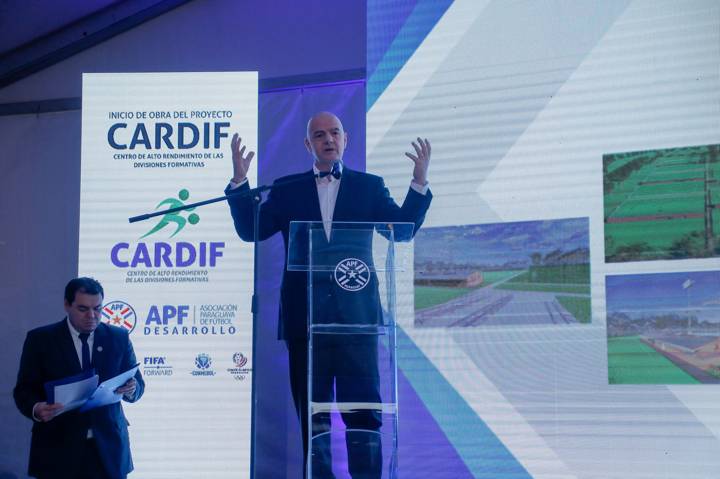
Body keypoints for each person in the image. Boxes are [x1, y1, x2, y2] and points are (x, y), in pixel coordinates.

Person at [225, 111, 432, 478]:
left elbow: (400, 232)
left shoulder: (369, 187)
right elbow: (251, 231)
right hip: (305, 324)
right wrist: (241, 182)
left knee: (364, 414)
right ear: (308, 145)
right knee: (313, 417)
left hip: (358, 323)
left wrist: (418, 184)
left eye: (334, 132)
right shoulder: (288, 188)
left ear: (345, 139)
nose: (328, 139)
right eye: (319, 135)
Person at [14, 277, 145, 479]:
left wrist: (131, 389)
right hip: (57, 450)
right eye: (83, 309)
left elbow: (138, 386)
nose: (92, 316)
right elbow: (23, 390)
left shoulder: (119, 337)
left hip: (108, 451)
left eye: (98, 308)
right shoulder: (40, 340)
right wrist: (37, 409)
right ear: (67, 305)